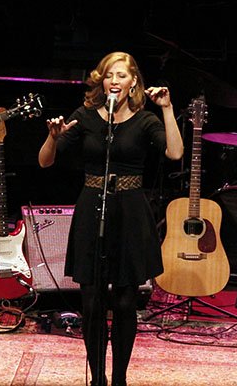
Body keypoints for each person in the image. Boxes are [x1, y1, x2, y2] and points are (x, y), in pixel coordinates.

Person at [37, 51, 183, 386]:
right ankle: (98, 378)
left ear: (133, 82)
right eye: (108, 75)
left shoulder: (145, 120)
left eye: (121, 75)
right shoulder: (86, 116)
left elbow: (174, 153)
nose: (114, 81)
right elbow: (45, 161)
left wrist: (167, 108)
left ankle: (119, 378)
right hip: (93, 207)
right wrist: (53, 136)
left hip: (130, 211)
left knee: (125, 301)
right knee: (92, 301)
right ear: (101, 81)